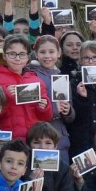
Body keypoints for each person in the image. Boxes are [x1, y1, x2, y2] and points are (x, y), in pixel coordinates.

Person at [0, 34, 50, 140]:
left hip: (35, 140)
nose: (17, 58)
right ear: (4, 56)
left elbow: (47, 117)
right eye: (12, 54)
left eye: (22, 54)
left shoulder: (36, 80)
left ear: (28, 57)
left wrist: (44, 107)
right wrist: (8, 98)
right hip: (10, 140)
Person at [28, 35, 76, 163]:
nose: (47, 56)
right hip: (39, 139)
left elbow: (70, 115)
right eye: (42, 52)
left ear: (59, 53)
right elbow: (31, 108)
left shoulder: (61, 76)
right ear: (36, 54)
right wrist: (54, 109)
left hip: (60, 139)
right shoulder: (31, 75)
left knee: (61, 177)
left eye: (51, 52)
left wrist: (68, 111)